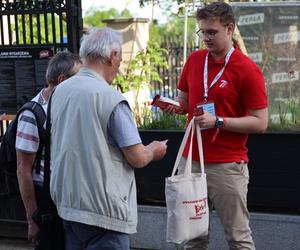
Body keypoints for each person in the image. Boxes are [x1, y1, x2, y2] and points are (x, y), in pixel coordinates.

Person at [49, 27, 168, 250]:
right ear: (113, 57)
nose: (120, 64)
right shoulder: (110, 98)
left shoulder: (60, 91)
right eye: (120, 58)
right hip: (104, 213)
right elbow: (138, 158)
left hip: (68, 204)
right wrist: (154, 149)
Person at [167, 2, 268, 250]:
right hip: (191, 160)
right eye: (202, 32)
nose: (206, 38)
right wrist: (174, 106)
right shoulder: (195, 60)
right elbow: (185, 101)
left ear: (229, 28)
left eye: (212, 32)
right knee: (193, 237)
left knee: (238, 237)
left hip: (226, 165)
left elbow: (260, 122)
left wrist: (219, 121)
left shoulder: (247, 69)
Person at [16, 51, 81, 249]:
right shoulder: (32, 114)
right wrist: (32, 219)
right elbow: (23, 169)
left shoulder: (68, 106)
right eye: (78, 80)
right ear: (62, 80)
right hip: (46, 201)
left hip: (68, 198)